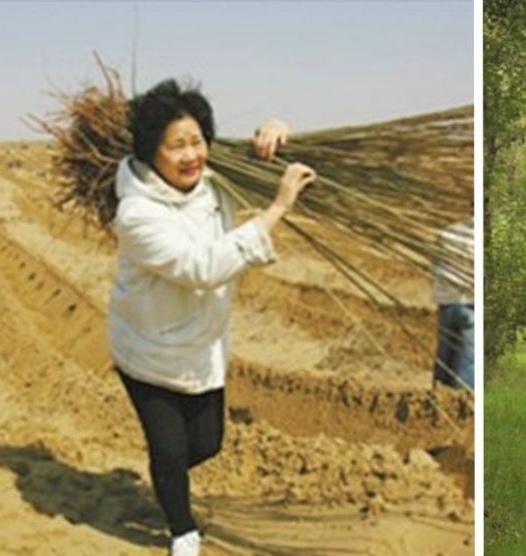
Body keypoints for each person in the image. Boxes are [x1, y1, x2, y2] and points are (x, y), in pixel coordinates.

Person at [109, 79, 316, 556]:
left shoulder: (216, 180)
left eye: (197, 141)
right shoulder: (137, 213)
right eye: (176, 146)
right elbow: (202, 268)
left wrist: (278, 133)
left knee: (206, 444)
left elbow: (297, 169)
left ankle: (168, 472)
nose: (190, 155)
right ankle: (181, 529)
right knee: (171, 450)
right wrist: (277, 209)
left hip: (202, 346)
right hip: (147, 348)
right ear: (150, 153)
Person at [431, 218, 474, 390]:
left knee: (445, 354)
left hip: (447, 303)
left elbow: (435, 267)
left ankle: (438, 396)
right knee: (469, 359)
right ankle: (462, 405)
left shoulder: (447, 232)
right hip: (471, 305)